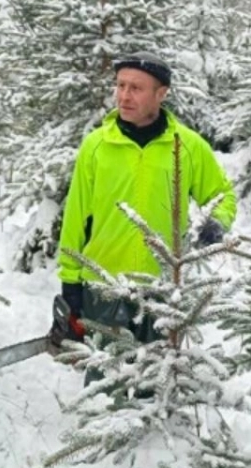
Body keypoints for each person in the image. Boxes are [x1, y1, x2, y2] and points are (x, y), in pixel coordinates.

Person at [54, 51, 236, 347]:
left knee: (160, 372)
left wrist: (216, 222)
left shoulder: (188, 146)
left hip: (162, 290)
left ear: (161, 94)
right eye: (120, 85)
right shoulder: (96, 146)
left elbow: (222, 195)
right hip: (104, 287)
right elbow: (76, 217)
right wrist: (70, 283)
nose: (124, 96)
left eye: (136, 88)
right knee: (104, 373)